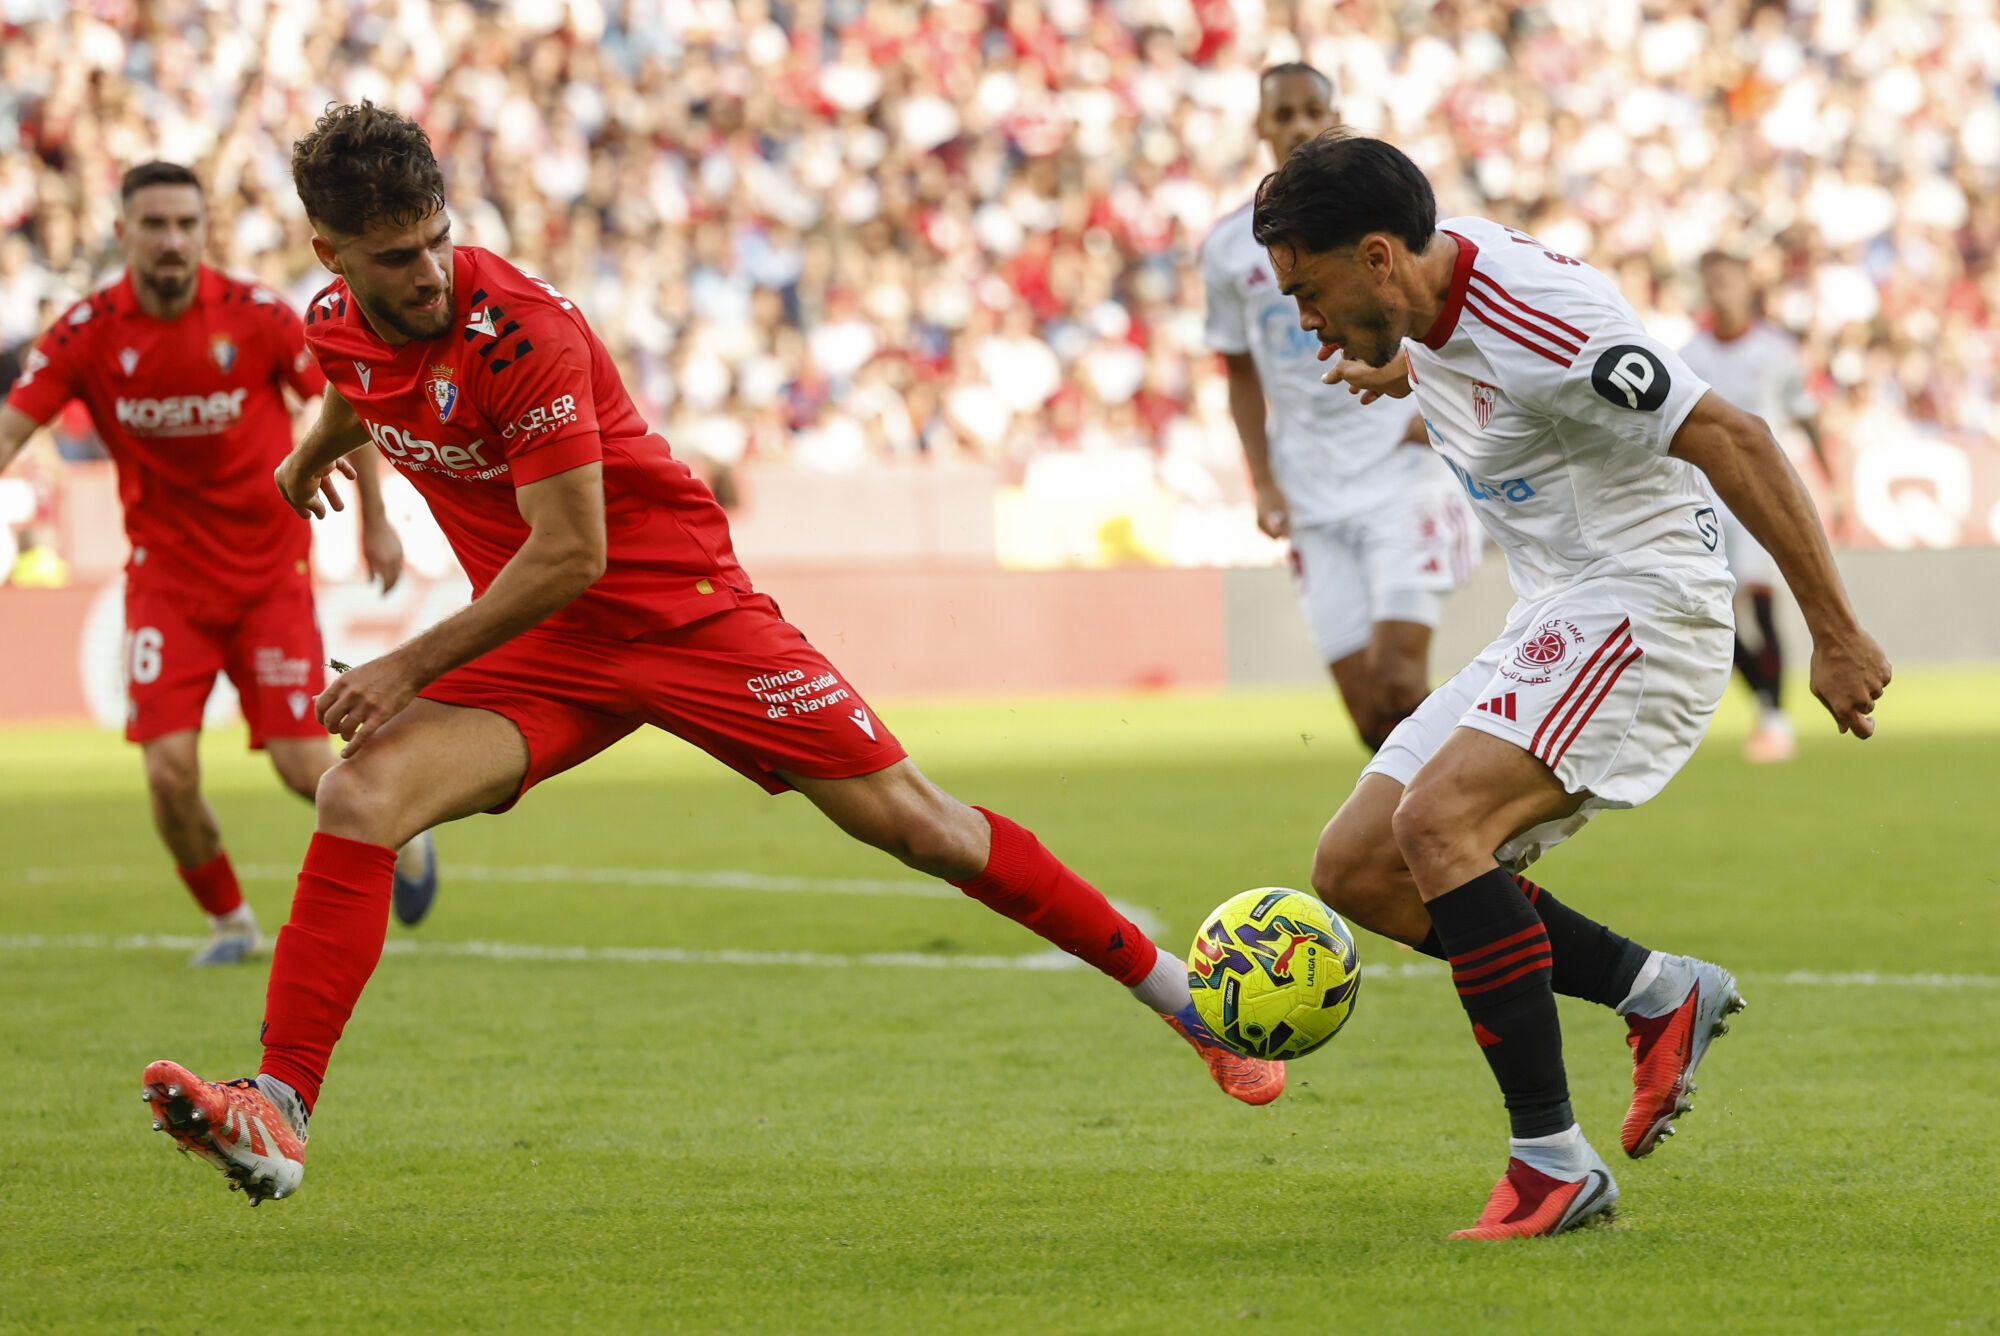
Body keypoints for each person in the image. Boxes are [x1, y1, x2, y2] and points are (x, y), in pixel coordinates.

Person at [138, 103, 1279, 1206]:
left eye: (438, 237)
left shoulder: (523, 328)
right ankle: (278, 1107)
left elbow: (571, 553)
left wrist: (407, 665)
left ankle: (1179, 999)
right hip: (544, 647)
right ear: (329, 250)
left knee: (922, 828)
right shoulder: (335, 315)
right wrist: (311, 453)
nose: (428, 271)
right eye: (395, 258)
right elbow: (365, 378)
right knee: (358, 793)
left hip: (678, 615)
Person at [1253, 132, 1890, 1238]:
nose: (1305, 319)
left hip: (1645, 599)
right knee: (1357, 865)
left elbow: (1731, 434)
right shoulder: (1433, 300)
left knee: (1439, 822)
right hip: (1556, 604)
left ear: (1375, 257)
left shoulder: (1541, 322)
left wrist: (1830, 631)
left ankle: (1550, 1164)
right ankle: (1658, 992)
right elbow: (1471, 359)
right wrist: (1399, 369)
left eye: (1307, 292)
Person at [0, 162, 439, 965]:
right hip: (165, 582)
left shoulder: (256, 315)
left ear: (205, 231)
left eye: (186, 225)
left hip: (270, 573)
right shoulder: (85, 332)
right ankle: (232, 923)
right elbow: (10, 432)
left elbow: (348, 399)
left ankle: (408, 833)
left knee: (302, 764)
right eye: (155, 225)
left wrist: (377, 520)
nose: (172, 241)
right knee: (168, 774)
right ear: (123, 231)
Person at [1200, 64, 1474, 749]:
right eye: (1282, 113)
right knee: (1368, 714)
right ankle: (1436, 846)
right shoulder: (1230, 250)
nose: (1297, 124)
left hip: (1402, 472)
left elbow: (1450, 307)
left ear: (1334, 115)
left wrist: (1435, 399)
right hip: (1312, 488)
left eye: (1310, 109)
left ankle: (1478, 826)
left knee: (1399, 680)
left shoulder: (1384, 224)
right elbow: (1237, 370)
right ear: (1259, 128)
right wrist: (1262, 478)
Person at [1680, 251, 1834, 764]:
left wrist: (1832, 478)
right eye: (1712, 281)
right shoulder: (1690, 354)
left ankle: (1775, 718)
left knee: (1763, 606)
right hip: (1706, 500)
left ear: (1748, 285)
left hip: (1762, 496)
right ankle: (1768, 709)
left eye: (1728, 279)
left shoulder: (1776, 350)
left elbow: (1805, 412)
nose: (1719, 290)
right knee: (1710, 616)